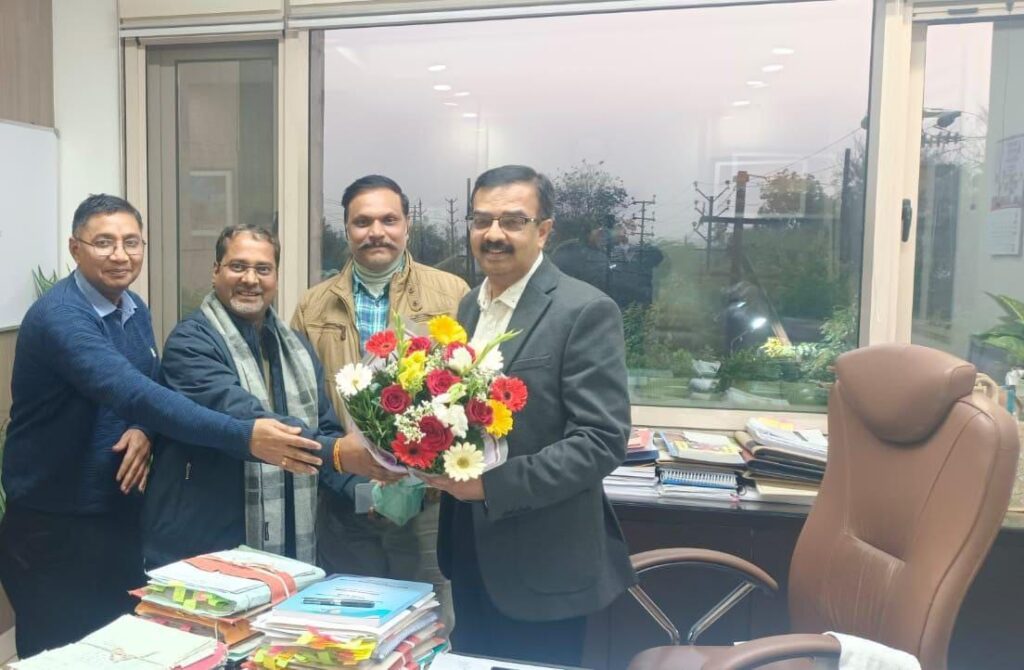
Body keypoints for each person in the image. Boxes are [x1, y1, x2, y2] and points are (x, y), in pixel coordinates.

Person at [0, 195, 325, 658]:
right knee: (61, 656)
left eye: (131, 242)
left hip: (119, 516)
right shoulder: (61, 317)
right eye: (104, 242)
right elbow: (130, 391)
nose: (120, 255)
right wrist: (245, 436)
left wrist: (144, 430)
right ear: (75, 249)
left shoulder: (132, 308)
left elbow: (147, 385)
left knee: (125, 652)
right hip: (54, 526)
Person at [429, 165, 636, 666]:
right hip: (469, 550)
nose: (493, 234)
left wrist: (490, 485)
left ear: (543, 230)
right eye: (482, 220)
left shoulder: (584, 310)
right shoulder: (468, 308)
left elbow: (600, 440)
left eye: (513, 221)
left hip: (544, 565)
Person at [143, 224, 400, 568]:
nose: (250, 279)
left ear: (276, 277)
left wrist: (368, 491)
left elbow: (324, 427)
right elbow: (247, 418)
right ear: (216, 271)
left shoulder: (295, 346)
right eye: (238, 266)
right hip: (204, 539)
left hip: (286, 539)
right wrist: (338, 453)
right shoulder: (189, 344)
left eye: (263, 269)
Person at [292, 175, 468, 631]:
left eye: (389, 220)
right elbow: (300, 404)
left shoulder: (452, 294)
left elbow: (470, 392)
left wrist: (425, 474)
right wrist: (346, 476)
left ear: (407, 225)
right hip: (344, 503)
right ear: (347, 229)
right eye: (362, 222)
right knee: (350, 627)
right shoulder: (313, 306)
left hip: (428, 503)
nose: (376, 232)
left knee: (431, 626)